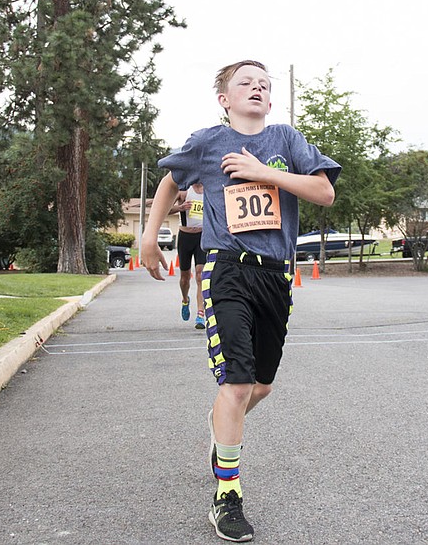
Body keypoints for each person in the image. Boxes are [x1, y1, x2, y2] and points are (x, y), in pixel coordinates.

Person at [141, 60, 340, 543]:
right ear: (224, 98)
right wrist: (150, 237)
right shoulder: (209, 141)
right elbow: (171, 179)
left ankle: (220, 428)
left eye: (264, 85)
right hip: (227, 268)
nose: (256, 88)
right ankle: (227, 493)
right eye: (245, 83)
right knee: (236, 382)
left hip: (276, 275)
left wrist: (261, 172)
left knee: (261, 388)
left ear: (270, 101)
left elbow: (324, 192)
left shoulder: (287, 141)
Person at [175, 182, 207, 329]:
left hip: (202, 236)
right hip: (185, 237)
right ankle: (185, 299)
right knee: (185, 278)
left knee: (200, 275)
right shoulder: (183, 192)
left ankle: (200, 314)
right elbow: (165, 208)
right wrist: (180, 208)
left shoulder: (208, 191)